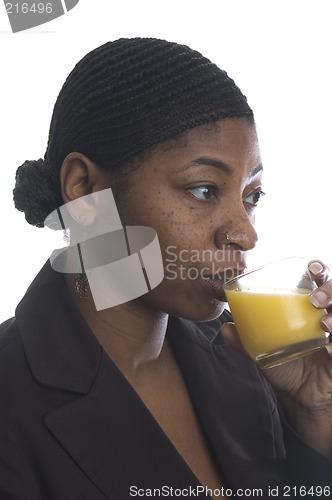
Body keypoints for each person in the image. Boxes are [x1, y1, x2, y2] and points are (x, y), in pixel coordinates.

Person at [0, 37, 331, 499]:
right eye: (203, 190)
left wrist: (316, 414)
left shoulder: (251, 363)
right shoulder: (10, 400)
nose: (245, 234)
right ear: (85, 191)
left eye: (250, 197)